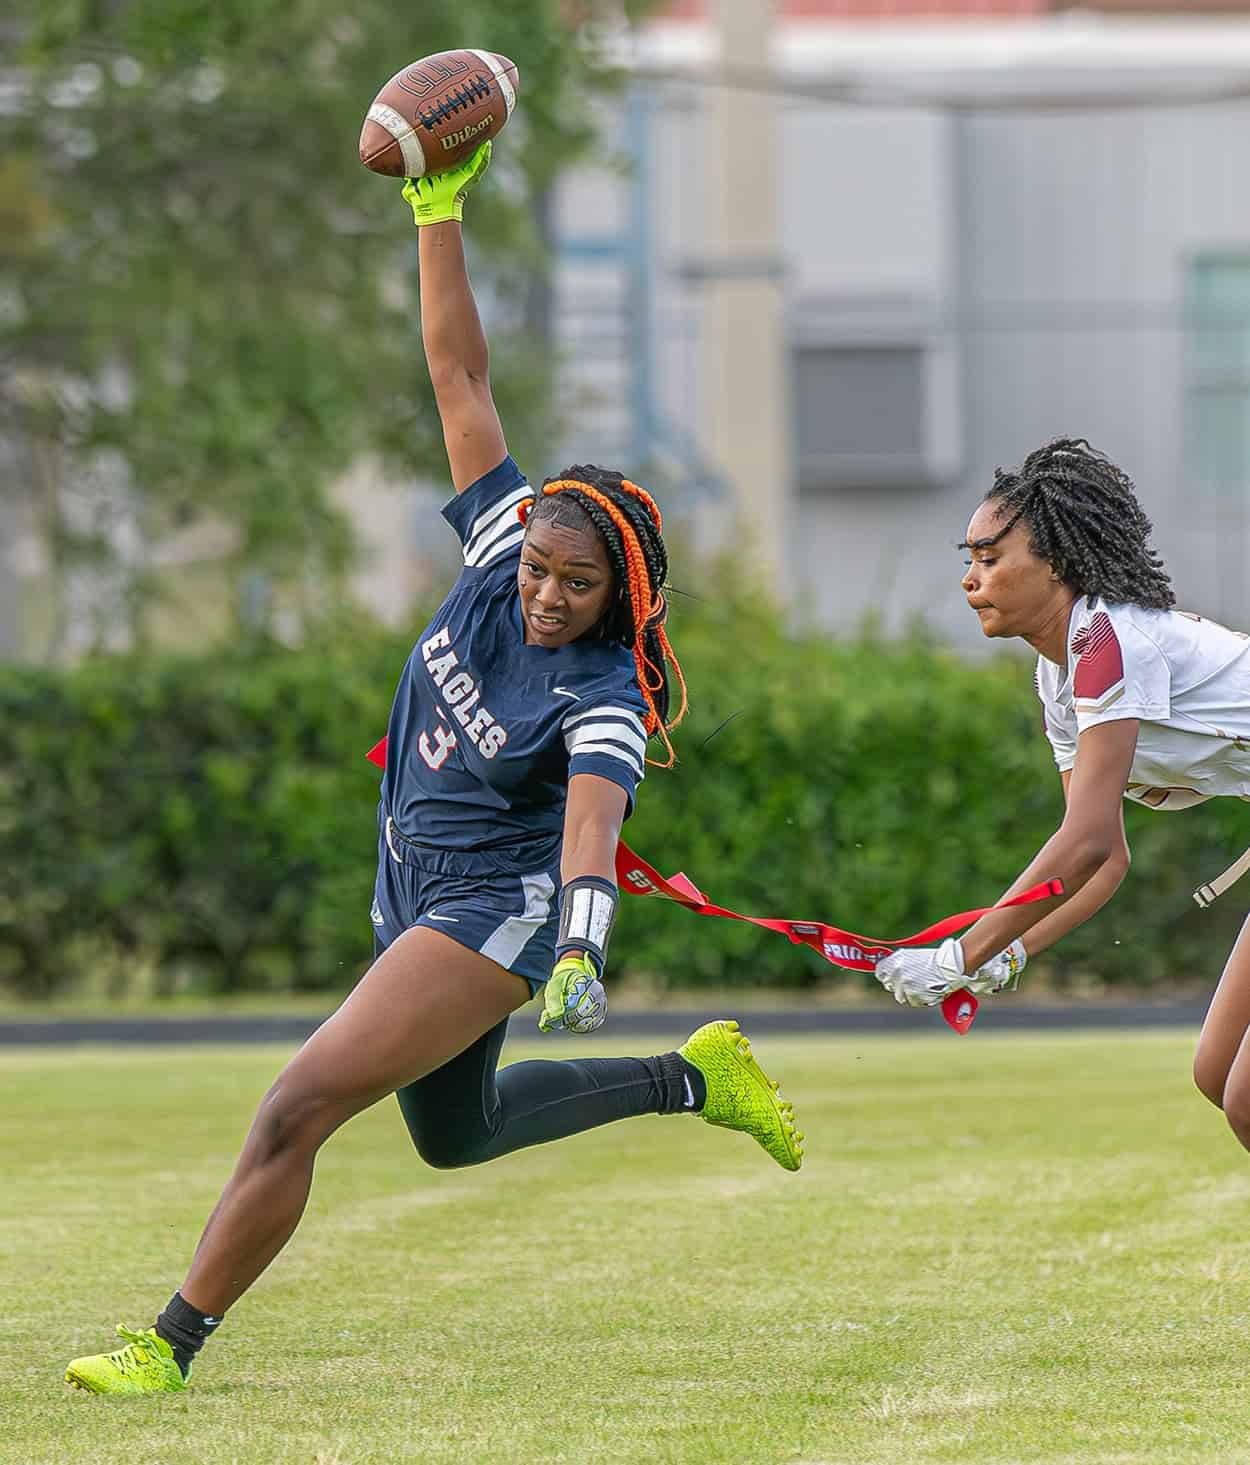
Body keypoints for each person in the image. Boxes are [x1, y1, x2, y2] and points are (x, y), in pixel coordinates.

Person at [64, 143, 803, 1397]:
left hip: (492, 912)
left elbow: (590, 822)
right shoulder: (493, 554)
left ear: (620, 592)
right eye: (539, 571)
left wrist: (578, 944)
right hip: (411, 884)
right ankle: (696, 1077)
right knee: (453, 1136)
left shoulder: (604, 691)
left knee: (295, 1106)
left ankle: (167, 1342)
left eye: (579, 583)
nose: (549, 594)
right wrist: (435, 203)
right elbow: (457, 368)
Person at [872, 438, 1250, 1112]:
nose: (971, 579)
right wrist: (1009, 954)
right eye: (970, 562)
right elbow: (1104, 861)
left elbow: (1088, 840)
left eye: (990, 560)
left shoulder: (1104, 642)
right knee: (1219, 1077)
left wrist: (958, 956)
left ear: (1056, 565)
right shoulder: (1060, 673)